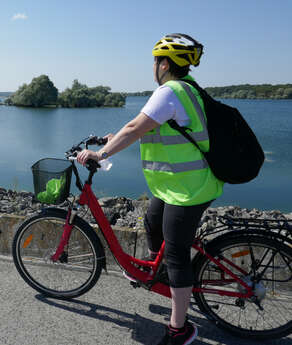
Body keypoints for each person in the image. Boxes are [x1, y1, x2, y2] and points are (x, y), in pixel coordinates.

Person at [77, 33, 224, 345]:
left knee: (176, 253)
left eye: (155, 61)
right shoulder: (186, 90)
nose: (153, 67)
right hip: (179, 185)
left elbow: (135, 128)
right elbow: (142, 124)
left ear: (164, 63)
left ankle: (179, 330)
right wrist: (112, 139)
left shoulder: (169, 91)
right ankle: (161, 277)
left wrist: (100, 155)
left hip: (189, 189)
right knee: (152, 220)